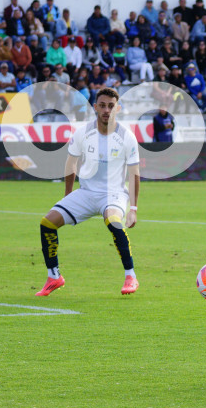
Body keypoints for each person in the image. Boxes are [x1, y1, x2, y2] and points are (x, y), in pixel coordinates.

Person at [36, 88, 141, 297]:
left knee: (113, 221)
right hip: (86, 192)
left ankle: (131, 276)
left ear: (117, 109)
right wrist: (67, 195)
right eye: (102, 105)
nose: (106, 110)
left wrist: (134, 208)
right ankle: (54, 276)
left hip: (114, 193)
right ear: (95, 107)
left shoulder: (127, 137)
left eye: (111, 106)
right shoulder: (83, 133)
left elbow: (134, 173)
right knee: (47, 223)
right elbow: (71, 164)